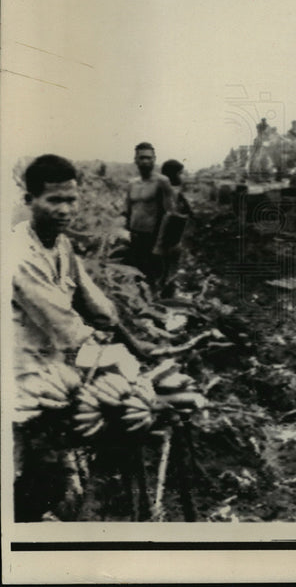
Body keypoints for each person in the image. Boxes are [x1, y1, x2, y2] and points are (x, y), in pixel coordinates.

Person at [12, 155, 152, 520]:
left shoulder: (61, 246)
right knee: (30, 481)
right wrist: (114, 355)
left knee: (62, 469)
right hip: (22, 382)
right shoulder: (17, 255)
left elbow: (96, 305)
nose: (65, 209)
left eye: (71, 199)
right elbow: (65, 325)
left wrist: (133, 342)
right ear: (29, 201)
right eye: (54, 200)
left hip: (55, 372)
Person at [123, 142, 174, 290]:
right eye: (142, 158)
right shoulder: (132, 184)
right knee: (136, 277)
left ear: (154, 159)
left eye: (149, 158)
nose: (145, 161)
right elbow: (126, 211)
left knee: (153, 279)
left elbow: (169, 213)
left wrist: (159, 244)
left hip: (152, 237)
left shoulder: (162, 182)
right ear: (136, 160)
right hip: (134, 237)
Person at [158, 160, 192, 298]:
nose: (182, 177)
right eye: (180, 173)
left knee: (168, 271)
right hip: (166, 240)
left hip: (172, 240)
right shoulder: (165, 192)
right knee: (164, 272)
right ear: (173, 175)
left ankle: (167, 292)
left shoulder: (174, 193)